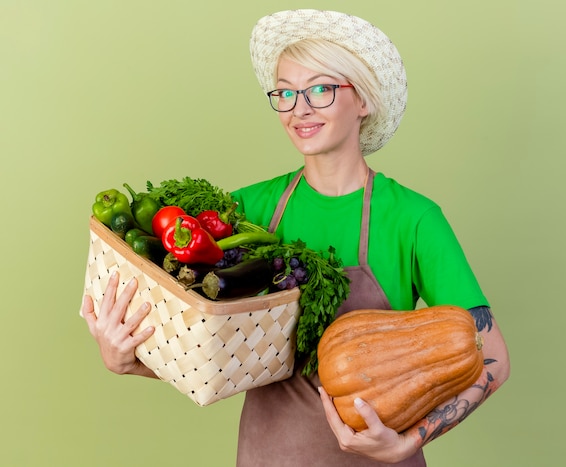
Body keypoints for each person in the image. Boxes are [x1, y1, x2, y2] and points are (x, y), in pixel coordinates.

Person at [81, 9, 510, 466]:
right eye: (285, 93)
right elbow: (209, 355)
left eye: (320, 90)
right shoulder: (243, 215)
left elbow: (493, 359)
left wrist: (410, 440)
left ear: (362, 100)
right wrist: (129, 358)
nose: (299, 109)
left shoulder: (414, 219)